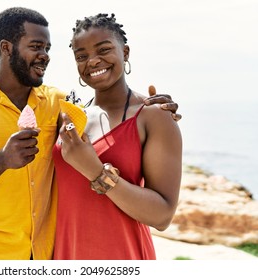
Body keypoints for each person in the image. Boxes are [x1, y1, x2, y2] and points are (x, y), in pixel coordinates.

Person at [0, 7, 180, 260]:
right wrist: (2, 160)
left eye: (47, 49)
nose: (44, 56)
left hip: (72, 256)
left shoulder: (59, 105)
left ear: (124, 52)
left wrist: (158, 112)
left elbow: (161, 214)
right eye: (36, 47)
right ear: (6, 48)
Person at [52, 13, 183, 260]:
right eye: (82, 56)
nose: (92, 61)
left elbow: (163, 216)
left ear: (126, 52)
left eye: (104, 50)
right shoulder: (69, 117)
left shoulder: (153, 116)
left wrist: (97, 172)